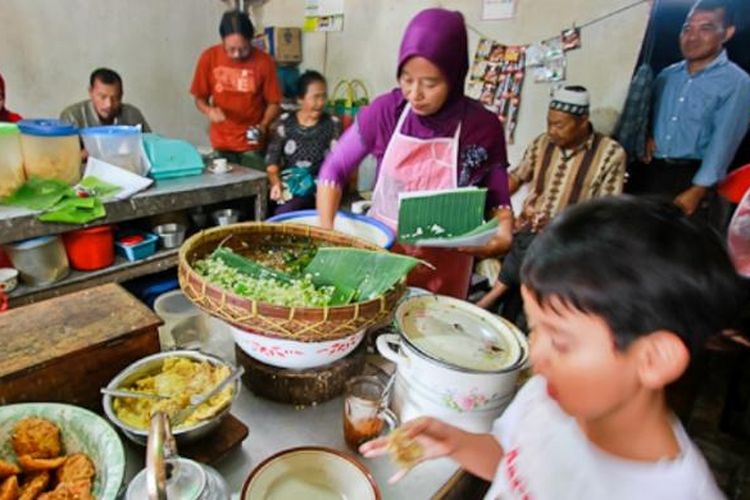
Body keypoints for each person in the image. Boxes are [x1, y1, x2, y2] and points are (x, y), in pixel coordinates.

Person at [362, 196, 744, 500]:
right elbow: (515, 464)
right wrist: (458, 444)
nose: (536, 356)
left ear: (654, 358)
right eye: (534, 327)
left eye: (560, 341)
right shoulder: (546, 395)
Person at [316, 8, 513, 299]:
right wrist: (327, 233)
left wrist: (501, 237)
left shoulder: (482, 127)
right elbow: (333, 169)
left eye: (430, 83)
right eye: (406, 79)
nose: (415, 93)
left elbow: (500, 204)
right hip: (384, 260)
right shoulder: (386, 113)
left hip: (447, 268)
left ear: (456, 75)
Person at [476, 86, 626, 310]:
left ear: (583, 121)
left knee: (537, 250)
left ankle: (491, 301)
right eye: (549, 123)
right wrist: (486, 200)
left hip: (571, 239)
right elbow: (517, 176)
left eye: (559, 125)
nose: (551, 131)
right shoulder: (543, 142)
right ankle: (493, 301)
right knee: (514, 243)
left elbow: (608, 212)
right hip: (531, 229)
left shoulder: (610, 154)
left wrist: (560, 224)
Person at [632, 0, 750, 220]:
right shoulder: (667, 75)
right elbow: (647, 114)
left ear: (727, 33)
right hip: (653, 174)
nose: (693, 37)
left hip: (692, 179)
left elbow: (723, 142)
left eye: (706, 28)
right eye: (687, 28)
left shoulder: (737, 83)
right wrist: (646, 135)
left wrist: (698, 189)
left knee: (680, 248)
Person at [191, 9, 282, 169]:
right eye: (231, 49)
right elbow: (199, 98)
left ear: (251, 40)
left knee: (255, 186)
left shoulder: (264, 61)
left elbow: (274, 102)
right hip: (221, 142)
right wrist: (209, 110)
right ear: (222, 41)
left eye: (243, 48)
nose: (237, 54)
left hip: (252, 143)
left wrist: (264, 124)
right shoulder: (209, 57)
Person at [265, 71, 341, 215]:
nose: (320, 103)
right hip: (289, 184)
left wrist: (325, 188)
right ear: (300, 99)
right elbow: (272, 161)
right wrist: (275, 183)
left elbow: (336, 163)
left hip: (318, 188)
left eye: (323, 96)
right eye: (315, 97)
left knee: (285, 211)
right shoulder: (285, 122)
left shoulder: (332, 124)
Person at [60, 68, 151, 131]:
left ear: (122, 95)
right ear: (91, 92)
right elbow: (62, 156)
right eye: (103, 97)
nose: (109, 104)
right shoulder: (72, 117)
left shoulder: (133, 115)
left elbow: (150, 149)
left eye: (115, 98)